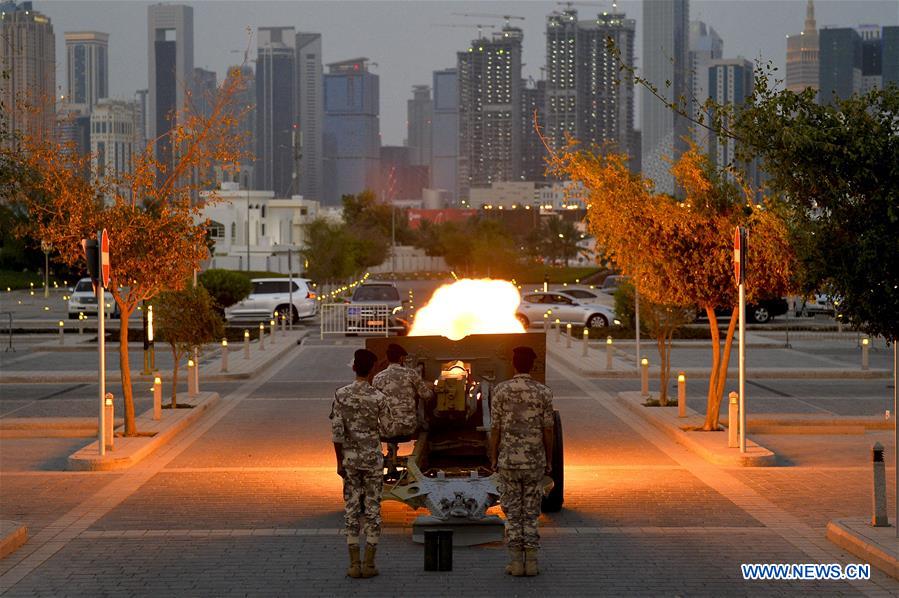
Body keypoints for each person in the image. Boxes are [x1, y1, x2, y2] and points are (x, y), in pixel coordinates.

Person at [489, 346, 554, 577]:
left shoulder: (501, 391)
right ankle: (532, 562)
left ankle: (516, 563)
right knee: (531, 511)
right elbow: (548, 429)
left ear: (514, 365)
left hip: (508, 462)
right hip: (534, 462)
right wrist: (548, 459)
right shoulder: (543, 392)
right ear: (532, 366)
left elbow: (495, 429)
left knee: (513, 512)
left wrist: (494, 457)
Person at [330, 348, 389, 579]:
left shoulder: (341, 395)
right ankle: (370, 564)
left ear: (354, 368)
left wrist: (339, 463)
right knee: (373, 510)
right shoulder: (379, 397)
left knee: (352, 509)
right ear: (373, 370)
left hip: (350, 462)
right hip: (373, 460)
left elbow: (336, 433)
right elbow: (387, 428)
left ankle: (354, 565)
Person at [372, 343, 434, 475]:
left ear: (388, 359)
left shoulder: (378, 378)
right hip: (409, 427)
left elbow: (374, 404)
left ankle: (390, 457)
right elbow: (426, 396)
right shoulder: (411, 374)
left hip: (386, 430)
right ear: (401, 359)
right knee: (425, 425)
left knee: (387, 418)